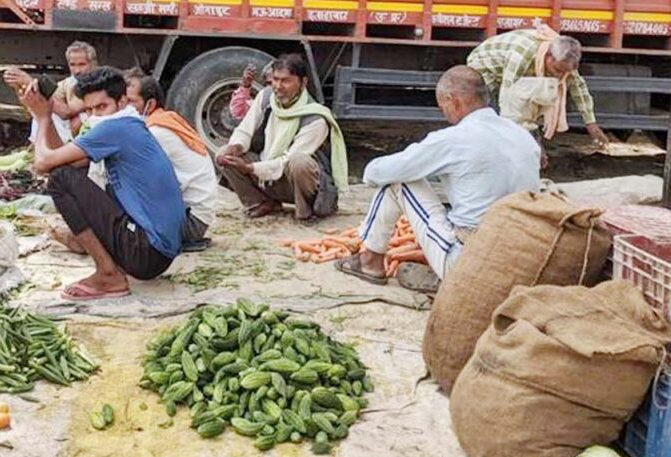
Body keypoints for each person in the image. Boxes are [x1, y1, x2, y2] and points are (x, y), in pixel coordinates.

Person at [336, 65, 541, 290]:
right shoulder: (522, 135)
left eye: (442, 105)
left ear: (453, 101)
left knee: (398, 181)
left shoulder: (453, 138)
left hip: (472, 260)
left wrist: (369, 169)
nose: (443, 112)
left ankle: (370, 262)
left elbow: (380, 172)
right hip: (520, 258)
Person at [18, 66, 184, 301]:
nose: (97, 115)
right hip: (156, 255)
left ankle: (108, 274)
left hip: (147, 252)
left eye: (102, 107)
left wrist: (43, 117)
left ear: (122, 101)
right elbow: (63, 159)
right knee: (70, 173)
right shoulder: (129, 124)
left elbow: (43, 163)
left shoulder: (116, 128)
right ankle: (110, 267)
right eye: (90, 109)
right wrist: (42, 114)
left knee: (59, 180)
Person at [216, 53, 348, 221]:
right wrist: (234, 148)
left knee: (299, 162)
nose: (278, 86)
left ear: (303, 82)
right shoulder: (266, 97)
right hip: (267, 174)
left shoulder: (316, 118)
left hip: (296, 183)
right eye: (276, 80)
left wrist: (249, 168)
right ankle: (261, 202)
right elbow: (244, 131)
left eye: (285, 81)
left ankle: (306, 212)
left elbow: (287, 160)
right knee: (223, 153)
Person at [467, 26, 609, 160]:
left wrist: (591, 124)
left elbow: (578, 88)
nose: (560, 77)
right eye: (558, 71)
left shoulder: (565, 59)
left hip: (512, 74)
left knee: (533, 103)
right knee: (488, 115)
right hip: (486, 68)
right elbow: (509, 99)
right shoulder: (522, 55)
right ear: (548, 56)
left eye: (564, 73)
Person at [125, 70, 217, 251]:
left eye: (131, 102)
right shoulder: (163, 120)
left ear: (150, 104)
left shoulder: (157, 131)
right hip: (193, 216)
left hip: (190, 223)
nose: (125, 107)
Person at [5, 41, 97, 142]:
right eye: (73, 65)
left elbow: (66, 112)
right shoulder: (70, 82)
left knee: (60, 115)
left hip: (95, 132)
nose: (77, 70)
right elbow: (37, 103)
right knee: (41, 111)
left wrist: (30, 82)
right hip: (75, 129)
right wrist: (20, 86)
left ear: (93, 64)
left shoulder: (97, 83)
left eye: (82, 64)